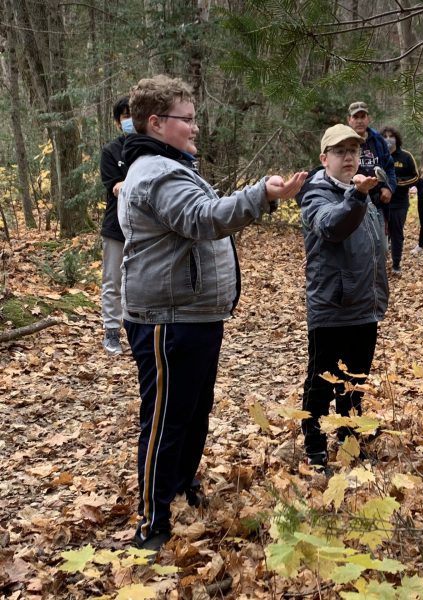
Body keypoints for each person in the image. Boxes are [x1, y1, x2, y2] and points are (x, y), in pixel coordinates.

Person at [118, 74, 306, 551]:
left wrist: (257, 196)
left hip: (194, 314)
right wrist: (261, 194)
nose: (196, 128)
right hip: (167, 319)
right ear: (157, 122)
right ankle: (153, 525)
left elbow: (206, 209)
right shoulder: (158, 172)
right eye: (188, 119)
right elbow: (204, 218)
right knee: (165, 421)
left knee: (192, 411)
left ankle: (181, 490)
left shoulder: (173, 165)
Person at [296, 124, 389, 470]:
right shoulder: (317, 193)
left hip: (364, 307)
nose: (349, 157)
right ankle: (315, 445)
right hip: (332, 308)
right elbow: (332, 226)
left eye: (353, 150)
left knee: (355, 383)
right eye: (340, 151)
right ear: (324, 158)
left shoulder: (358, 189)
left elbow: (373, 249)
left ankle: (349, 440)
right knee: (322, 381)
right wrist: (358, 197)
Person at [100, 97, 135, 355]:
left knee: (141, 281)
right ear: (117, 121)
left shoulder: (154, 148)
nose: (130, 120)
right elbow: (114, 187)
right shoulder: (111, 151)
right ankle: (111, 332)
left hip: (148, 229)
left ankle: (138, 330)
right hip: (116, 226)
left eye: (134, 114)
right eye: (125, 116)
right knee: (113, 281)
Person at [347, 102, 397, 222]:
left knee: (380, 241)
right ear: (349, 120)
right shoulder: (344, 141)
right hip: (352, 204)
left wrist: (389, 188)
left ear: (368, 119)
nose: (359, 121)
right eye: (355, 117)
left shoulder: (378, 140)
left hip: (378, 204)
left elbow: (389, 167)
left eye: (363, 116)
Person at [380, 126, 418, 273]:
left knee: (396, 233)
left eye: (391, 136)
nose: (388, 139)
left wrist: (395, 183)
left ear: (397, 138)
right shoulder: (378, 156)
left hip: (399, 203)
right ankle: (380, 263)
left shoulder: (406, 156)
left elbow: (415, 177)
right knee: (381, 234)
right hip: (380, 202)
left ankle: (396, 264)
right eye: (385, 136)